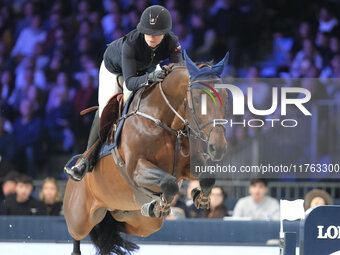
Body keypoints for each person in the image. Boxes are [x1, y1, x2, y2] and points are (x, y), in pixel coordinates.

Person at [64, 5, 183, 181]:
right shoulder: (131, 44)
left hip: (145, 69)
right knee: (106, 108)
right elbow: (130, 83)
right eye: (147, 32)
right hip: (115, 71)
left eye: (156, 33)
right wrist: (152, 77)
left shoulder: (172, 42)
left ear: (165, 33)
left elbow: (177, 73)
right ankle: (84, 161)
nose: (151, 36)